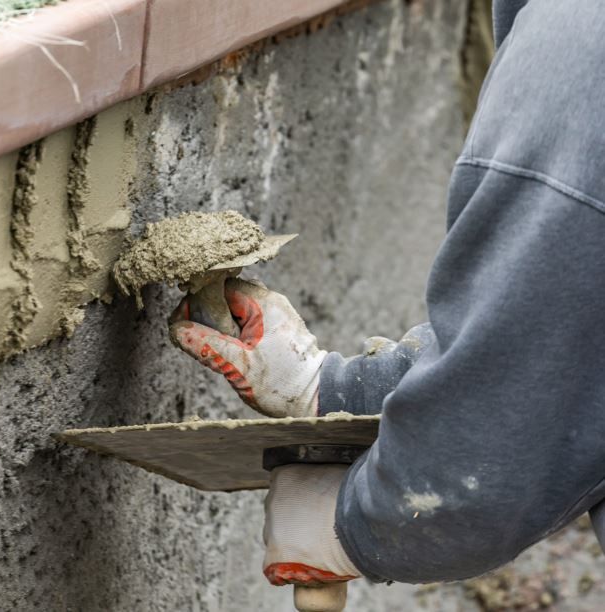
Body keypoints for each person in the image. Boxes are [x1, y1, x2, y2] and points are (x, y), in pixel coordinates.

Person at [169, 0, 605, 589]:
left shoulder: (578, 53)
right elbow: (572, 332)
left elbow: (494, 447)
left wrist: (351, 524)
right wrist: (332, 389)